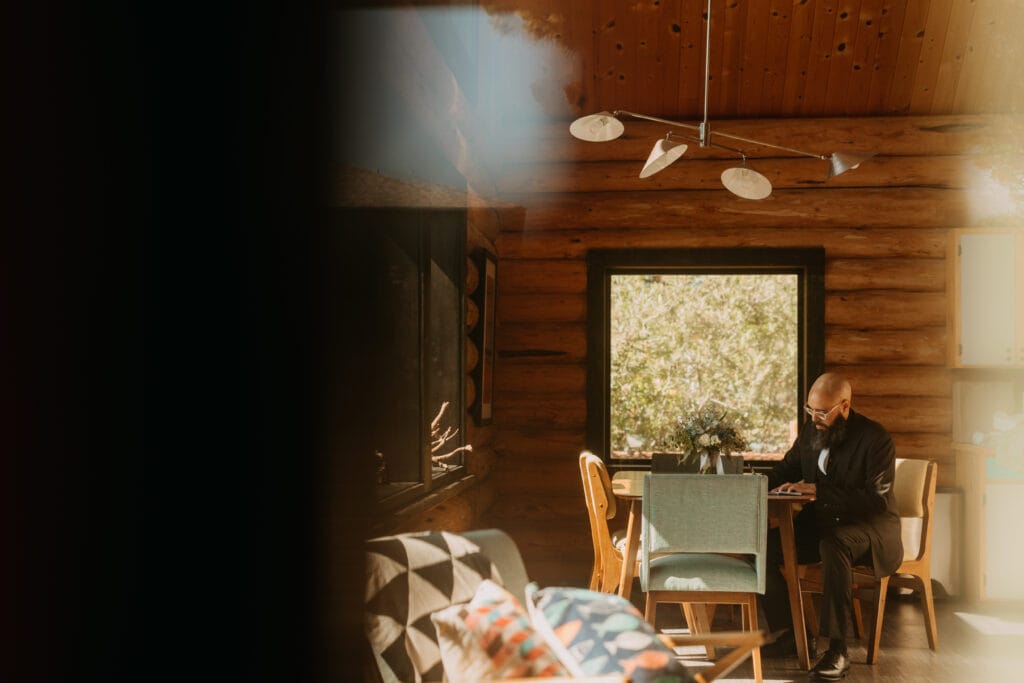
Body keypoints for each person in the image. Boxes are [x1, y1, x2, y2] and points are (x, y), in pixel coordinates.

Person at [760, 372, 902, 681]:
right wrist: (750, 486)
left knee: (833, 543)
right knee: (760, 547)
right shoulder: (812, 431)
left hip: (871, 529)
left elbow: (876, 501)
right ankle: (792, 634)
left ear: (846, 407)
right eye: (810, 410)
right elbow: (786, 468)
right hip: (825, 525)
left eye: (823, 412)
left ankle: (838, 651)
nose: (815, 418)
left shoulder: (875, 438)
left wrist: (816, 491)